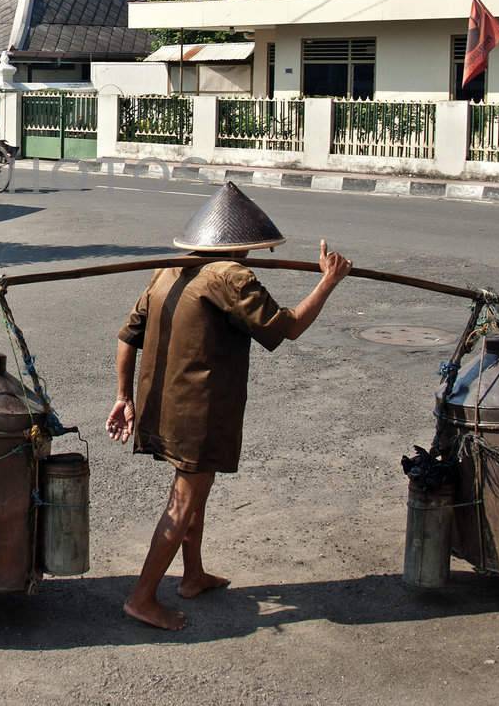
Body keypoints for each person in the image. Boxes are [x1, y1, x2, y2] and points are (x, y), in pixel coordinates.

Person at [105, 183, 352, 630]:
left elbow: (126, 339)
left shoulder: (167, 271)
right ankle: (142, 597)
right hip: (198, 412)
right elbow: (287, 329)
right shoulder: (231, 277)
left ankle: (193, 574)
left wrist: (124, 398)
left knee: (197, 490)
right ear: (241, 246)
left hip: (160, 406)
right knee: (184, 499)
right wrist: (328, 282)